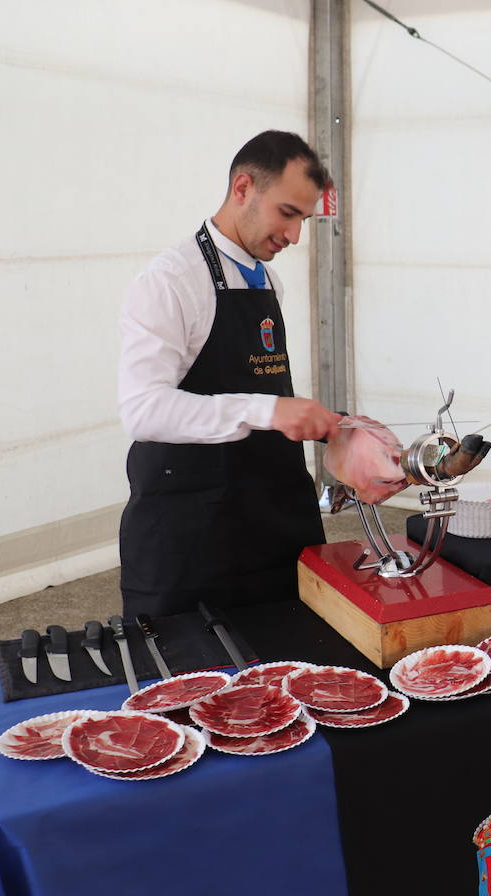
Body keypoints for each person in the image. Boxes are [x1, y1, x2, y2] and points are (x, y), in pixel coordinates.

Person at [117, 130, 341, 616]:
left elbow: (264, 392)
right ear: (243, 189)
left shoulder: (268, 281)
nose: (295, 236)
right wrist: (268, 409)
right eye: (287, 213)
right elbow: (143, 410)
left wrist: (337, 430)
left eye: (303, 219)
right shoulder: (170, 281)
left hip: (272, 523)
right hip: (191, 538)